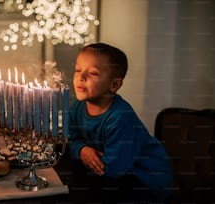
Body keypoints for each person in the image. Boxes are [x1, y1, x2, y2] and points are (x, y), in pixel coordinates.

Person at [68, 43, 173, 203]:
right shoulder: (77, 107)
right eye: (77, 69)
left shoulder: (120, 117)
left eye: (93, 73)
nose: (81, 77)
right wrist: (83, 150)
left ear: (114, 85)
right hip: (111, 173)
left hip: (144, 180)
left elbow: (113, 168)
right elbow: (71, 140)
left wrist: (88, 154)